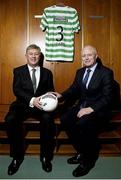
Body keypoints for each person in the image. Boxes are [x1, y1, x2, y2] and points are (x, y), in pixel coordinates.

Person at [54, 45, 114, 177]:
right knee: (65, 119)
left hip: (98, 109)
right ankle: (81, 151)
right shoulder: (80, 72)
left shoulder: (106, 72)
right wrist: (61, 95)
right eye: (84, 56)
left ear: (96, 56)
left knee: (83, 124)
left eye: (89, 55)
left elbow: (108, 98)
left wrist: (90, 109)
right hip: (82, 105)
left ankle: (88, 160)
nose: (86, 58)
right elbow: (73, 89)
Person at [5, 44, 56, 175]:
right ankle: (17, 157)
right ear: (26, 56)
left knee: (48, 119)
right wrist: (33, 100)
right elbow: (16, 90)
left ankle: (45, 157)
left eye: (36, 54)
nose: (33, 56)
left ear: (40, 56)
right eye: (31, 54)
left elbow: (51, 91)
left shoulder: (47, 73)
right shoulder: (18, 71)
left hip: (42, 106)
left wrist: (49, 99)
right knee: (10, 119)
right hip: (22, 105)